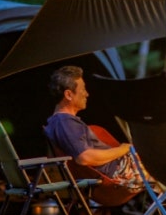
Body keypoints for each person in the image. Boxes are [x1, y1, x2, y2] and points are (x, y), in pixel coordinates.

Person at [44, 65, 149, 193]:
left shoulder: (60, 122)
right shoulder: (65, 122)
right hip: (119, 172)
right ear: (69, 94)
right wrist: (123, 149)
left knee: (164, 160)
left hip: (122, 167)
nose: (87, 94)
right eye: (83, 89)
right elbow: (85, 157)